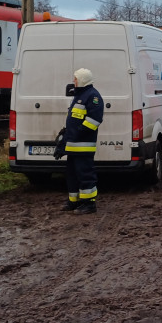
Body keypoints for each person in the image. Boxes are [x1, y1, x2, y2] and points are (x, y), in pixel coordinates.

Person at [63, 68, 104, 214]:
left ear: (82, 80)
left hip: (84, 145)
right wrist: (65, 134)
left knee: (85, 174)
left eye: (75, 79)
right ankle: (74, 201)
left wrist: (77, 133)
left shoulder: (93, 96)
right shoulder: (79, 95)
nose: (73, 81)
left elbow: (94, 120)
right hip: (74, 145)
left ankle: (89, 204)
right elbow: (74, 119)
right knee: (72, 174)